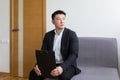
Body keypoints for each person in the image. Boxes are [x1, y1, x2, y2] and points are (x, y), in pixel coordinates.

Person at [29, 10, 81, 80]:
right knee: (33, 74)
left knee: (64, 77)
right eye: (58, 19)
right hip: (51, 64)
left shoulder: (71, 34)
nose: (62, 21)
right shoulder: (48, 35)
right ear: (53, 21)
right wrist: (37, 66)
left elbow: (74, 54)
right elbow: (43, 53)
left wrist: (62, 67)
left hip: (67, 65)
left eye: (63, 19)